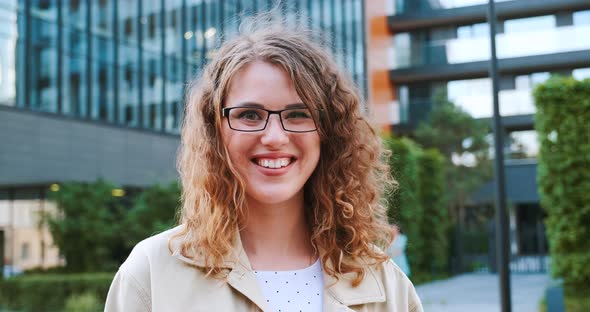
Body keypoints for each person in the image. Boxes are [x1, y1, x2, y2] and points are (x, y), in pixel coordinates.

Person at [105, 15, 423, 312]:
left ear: (329, 134)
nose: (274, 136)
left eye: (299, 114)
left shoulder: (386, 285)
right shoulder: (151, 273)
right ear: (216, 131)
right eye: (249, 115)